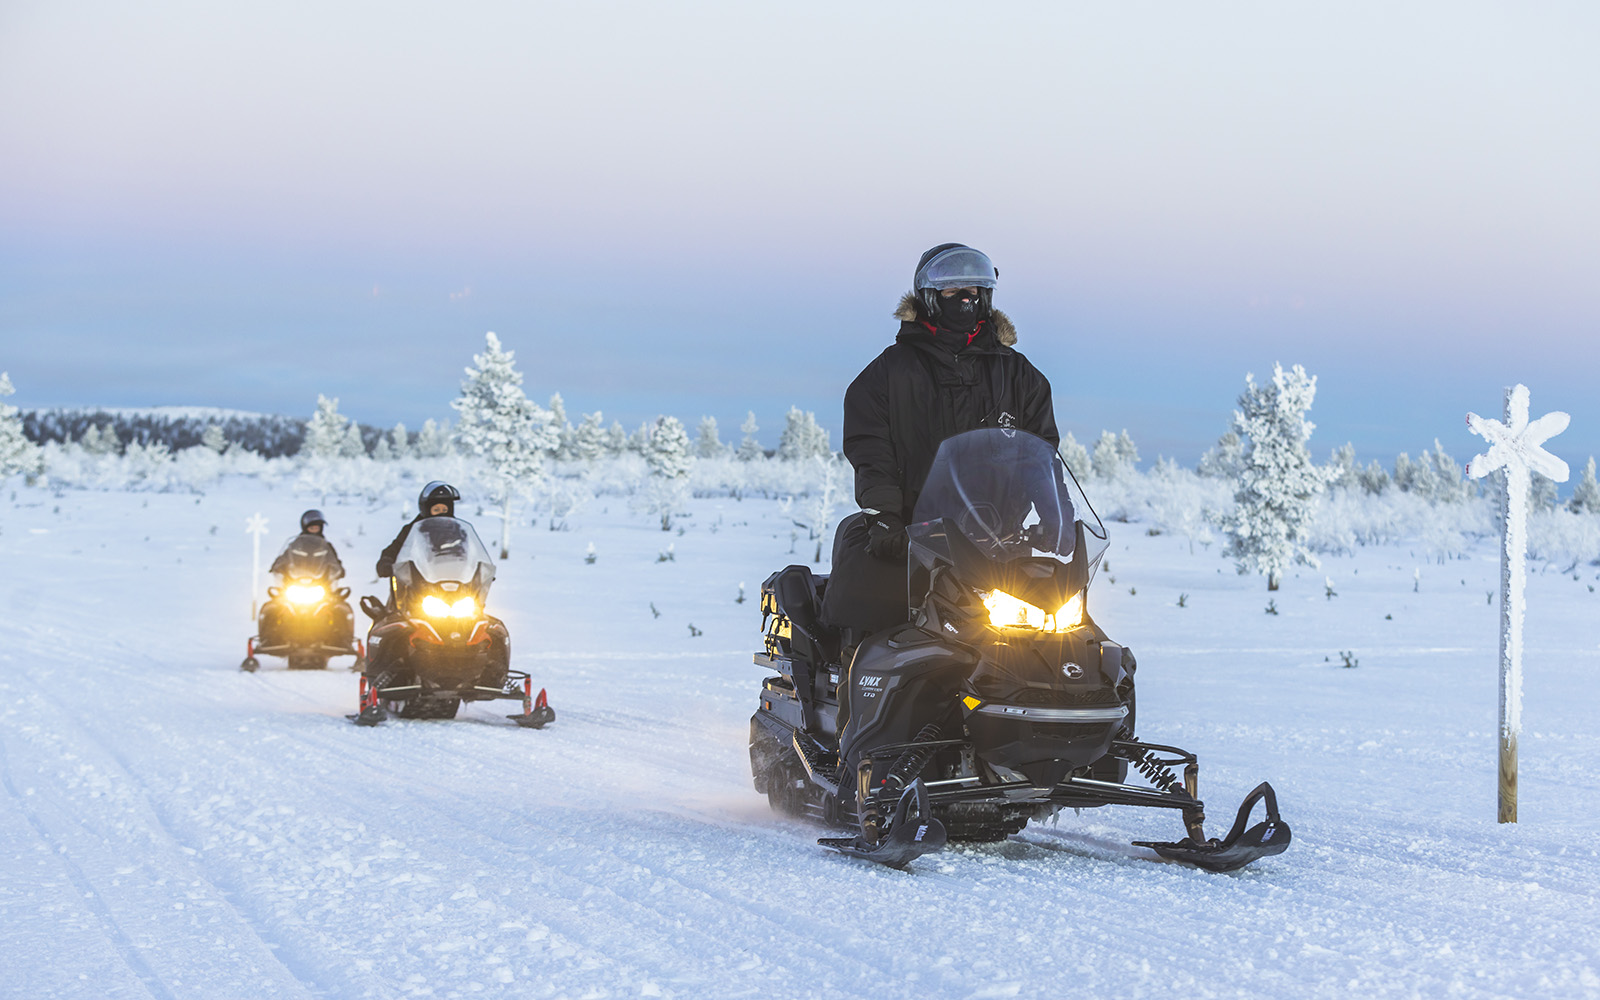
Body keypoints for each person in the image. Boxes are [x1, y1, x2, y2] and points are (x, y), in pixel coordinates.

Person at [821, 243, 1060, 639]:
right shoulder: (889, 375)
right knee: (882, 631)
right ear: (930, 297)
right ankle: (855, 689)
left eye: (973, 291)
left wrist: (1055, 515)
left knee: (1053, 641)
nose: (965, 300)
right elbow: (872, 454)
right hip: (916, 544)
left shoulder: (1020, 377)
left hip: (1001, 546)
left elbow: (1042, 457)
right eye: (953, 292)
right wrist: (886, 519)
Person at [376, 481, 460, 583]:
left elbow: (469, 552)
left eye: (444, 510)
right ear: (427, 510)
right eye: (436, 510)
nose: (441, 514)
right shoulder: (413, 529)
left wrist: (476, 567)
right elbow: (395, 548)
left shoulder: (457, 531)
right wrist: (386, 561)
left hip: (452, 582)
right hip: (416, 583)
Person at [269, 509, 345, 579]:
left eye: (317, 528)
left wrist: (339, 569)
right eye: (312, 528)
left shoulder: (326, 546)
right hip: (297, 579)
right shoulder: (296, 544)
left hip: (320, 580)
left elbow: (334, 560)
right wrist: (277, 565)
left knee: (332, 592)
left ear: (321, 528)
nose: (314, 530)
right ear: (305, 528)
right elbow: (285, 556)